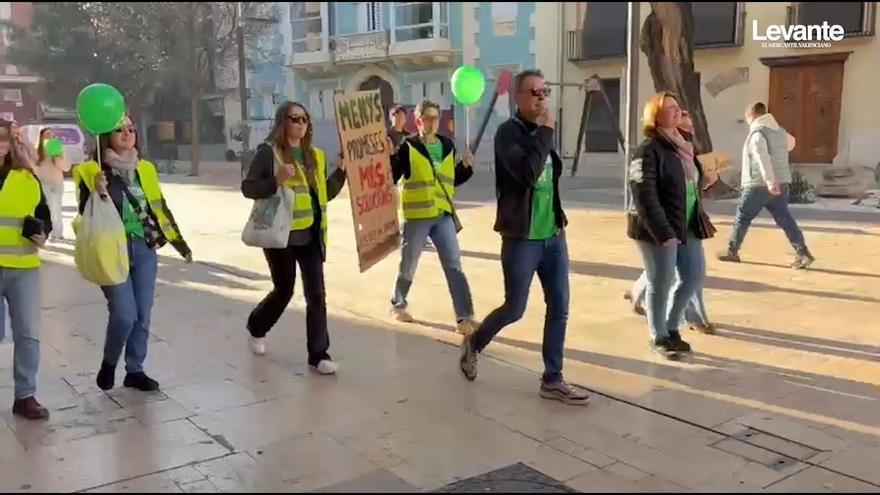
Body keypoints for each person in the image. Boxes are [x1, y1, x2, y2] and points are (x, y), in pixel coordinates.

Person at [458, 69, 589, 405]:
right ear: (517, 97)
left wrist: (558, 220)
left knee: (559, 306)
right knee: (515, 308)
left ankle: (552, 378)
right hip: (521, 238)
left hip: (553, 237)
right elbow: (529, 174)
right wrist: (545, 131)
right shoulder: (507, 135)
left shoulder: (542, 131)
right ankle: (474, 343)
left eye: (545, 91)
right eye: (534, 92)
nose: (541, 97)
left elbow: (550, 180)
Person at [74, 116, 192, 392]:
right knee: (124, 314)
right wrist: (97, 191)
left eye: (131, 129)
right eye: (120, 129)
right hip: (110, 249)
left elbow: (159, 208)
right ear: (106, 136)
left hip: (144, 248)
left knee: (142, 314)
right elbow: (85, 211)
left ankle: (135, 370)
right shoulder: (91, 170)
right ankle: (109, 363)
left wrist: (179, 242)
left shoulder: (145, 169)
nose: (127, 133)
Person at [242, 101, 347, 375]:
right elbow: (248, 188)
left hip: (311, 235)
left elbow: (325, 194)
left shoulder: (316, 156)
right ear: (283, 122)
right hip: (280, 236)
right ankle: (257, 325)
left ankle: (318, 354)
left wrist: (342, 171)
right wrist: (276, 180)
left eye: (304, 119)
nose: (300, 124)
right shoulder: (269, 152)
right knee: (284, 290)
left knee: (317, 295)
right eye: (294, 118)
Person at [627, 92, 715, 360]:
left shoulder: (683, 145)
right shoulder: (647, 150)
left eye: (678, 107)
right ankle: (659, 336)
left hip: (686, 222)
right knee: (660, 282)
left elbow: (684, 185)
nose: (677, 112)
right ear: (656, 116)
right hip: (657, 228)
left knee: (693, 276)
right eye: (670, 109)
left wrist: (703, 182)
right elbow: (644, 194)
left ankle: (671, 326)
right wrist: (663, 232)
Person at [389, 99, 478, 335]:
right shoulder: (408, 146)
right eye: (426, 117)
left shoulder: (448, 146)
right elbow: (392, 175)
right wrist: (390, 157)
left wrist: (466, 167)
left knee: (454, 265)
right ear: (417, 121)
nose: (431, 122)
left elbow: (452, 178)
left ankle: (465, 317)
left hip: (442, 216)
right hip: (417, 217)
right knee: (408, 264)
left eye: (435, 117)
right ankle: (398, 303)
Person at [718, 102, 814, 269]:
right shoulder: (781, 132)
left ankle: (732, 251)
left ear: (752, 116)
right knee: (785, 219)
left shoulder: (757, 134)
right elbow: (792, 144)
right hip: (783, 182)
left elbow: (763, 158)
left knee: (743, 216)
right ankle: (803, 253)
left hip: (758, 184)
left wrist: (770, 182)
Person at [0, 120, 52, 419]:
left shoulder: (27, 179)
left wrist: (41, 232)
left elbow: (44, 217)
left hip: (24, 268)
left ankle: (25, 395)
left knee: (28, 333)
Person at [34, 127, 71, 242]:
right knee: (45, 209)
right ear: (41, 138)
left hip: (56, 183)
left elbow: (66, 167)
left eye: (51, 134)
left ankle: (57, 233)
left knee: (56, 208)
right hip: (43, 183)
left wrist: (57, 158)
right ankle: (45, 231)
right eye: (47, 135)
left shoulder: (59, 149)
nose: (49, 136)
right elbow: (34, 167)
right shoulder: (37, 151)